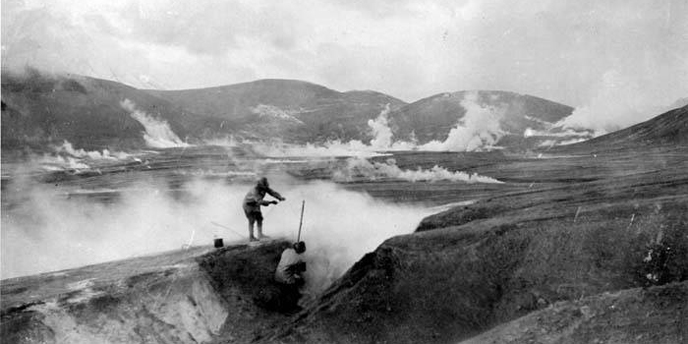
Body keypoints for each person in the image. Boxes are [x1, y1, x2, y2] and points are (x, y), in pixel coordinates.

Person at [242, 177, 286, 242]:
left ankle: (260, 234)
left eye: (265, 186)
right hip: (248, 205)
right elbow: (259, 201)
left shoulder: (265, 188)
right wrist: (270, 202)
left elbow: (273, 193)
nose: (265, 188)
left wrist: (279, 197)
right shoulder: (255, 190)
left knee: (259, 218)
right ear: (259, 185)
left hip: (256, 204)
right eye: (263, 186)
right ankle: (251, 237)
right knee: (252, 220)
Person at [274, 241, 307, 312]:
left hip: (277, 276)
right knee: (295, 288)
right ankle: (292, 307)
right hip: (286, 280)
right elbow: (302, 271)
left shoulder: (286, 251)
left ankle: (282, 304)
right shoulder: (300, 259)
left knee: (283, 292)